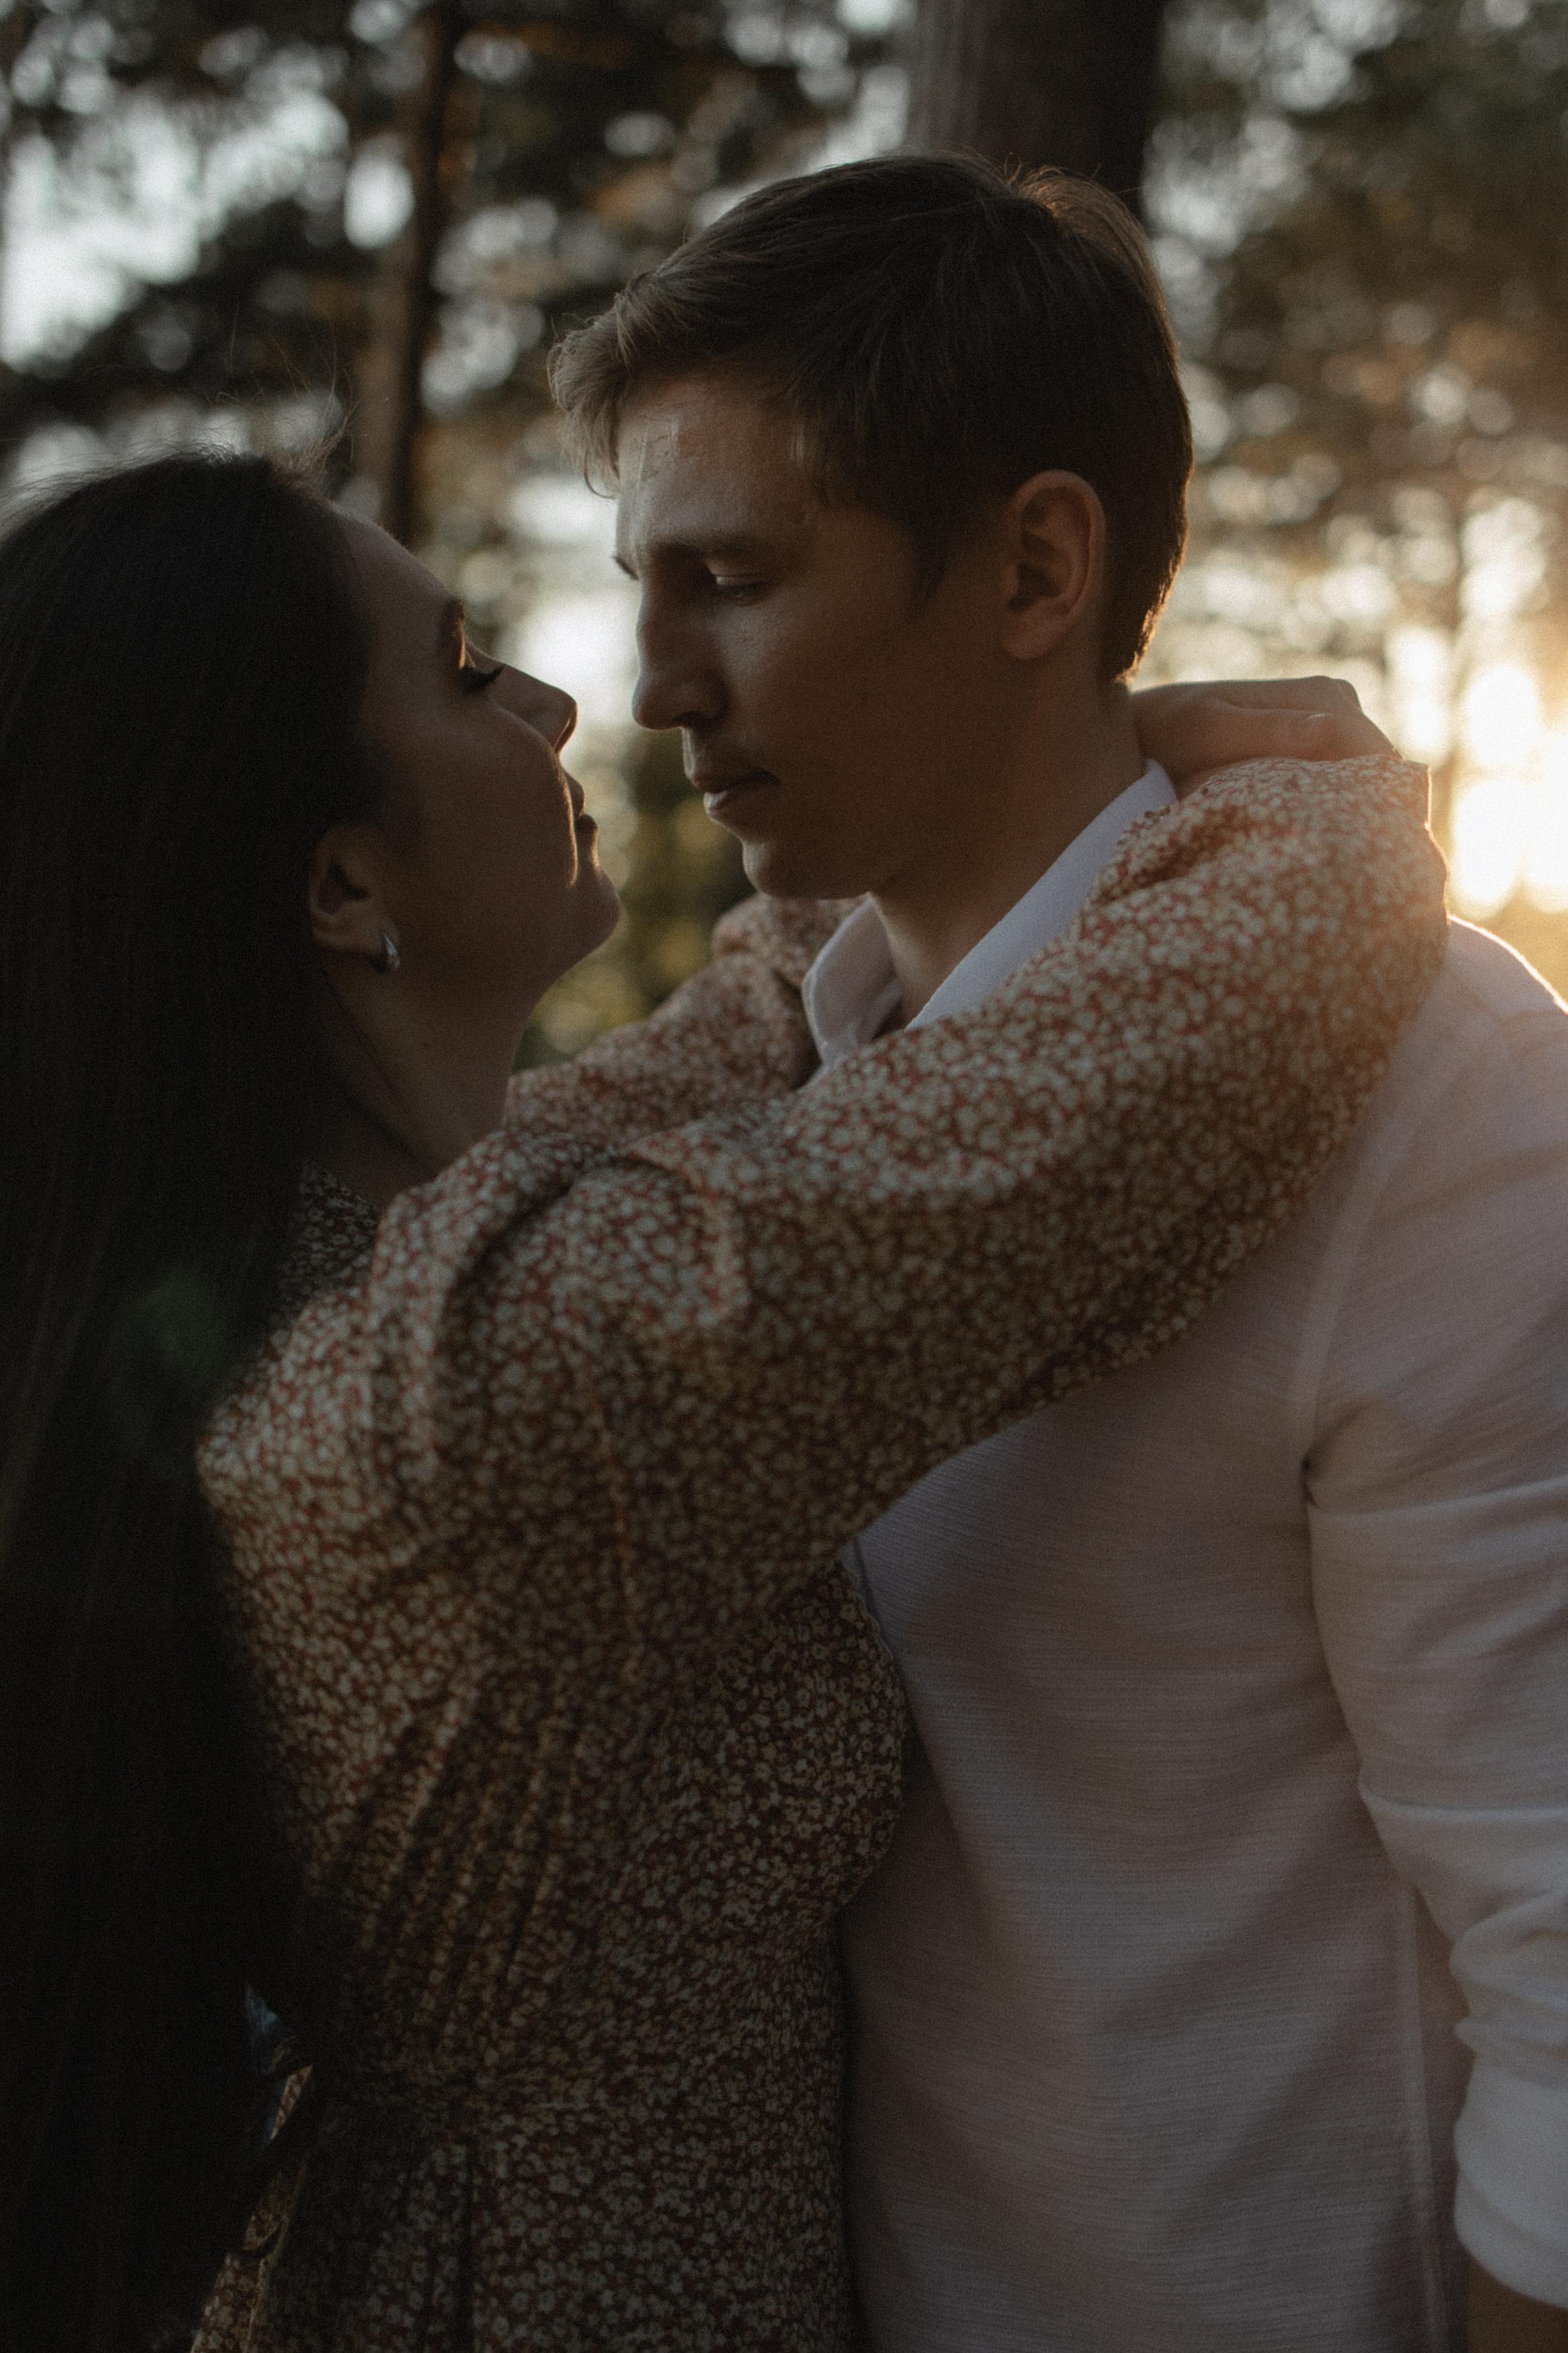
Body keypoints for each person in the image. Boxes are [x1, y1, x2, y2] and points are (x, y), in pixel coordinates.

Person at [0, 451, 1442, 2353]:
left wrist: (1032, 751)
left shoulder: (360, 1250)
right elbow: (1109, 1099)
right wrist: (1325, 814)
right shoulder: (470, 1397)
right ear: (341, 879)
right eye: (458, 672)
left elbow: (752, 1024)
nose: (559, 697)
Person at [550, 151, 1568, 2353]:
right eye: (642, 585)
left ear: (1033, 564)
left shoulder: (1438, 1098)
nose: (650, 685)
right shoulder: (756, 1108)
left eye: (728, 576)